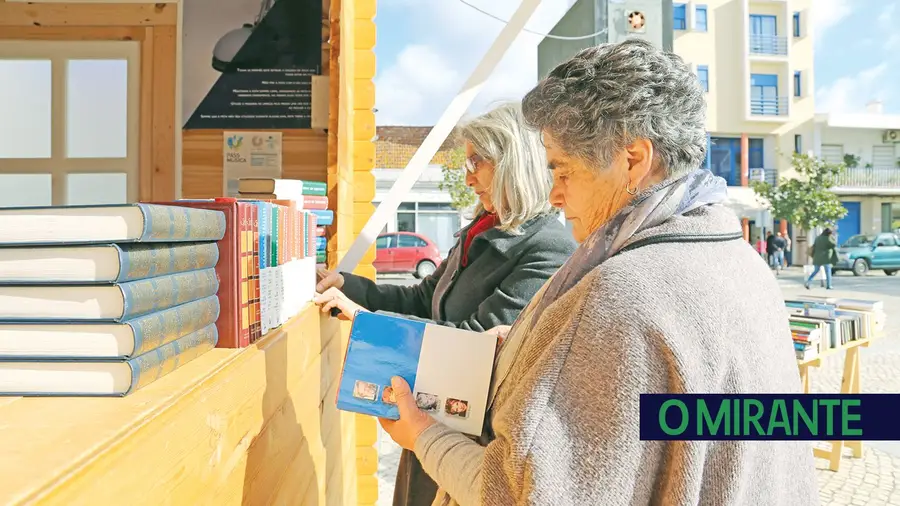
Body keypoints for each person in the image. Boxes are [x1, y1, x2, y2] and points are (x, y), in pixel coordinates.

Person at [378, 39, 819, 506]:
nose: (555, 195)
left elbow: (519, 494)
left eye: (562, 170)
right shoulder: (743, 261)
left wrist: (423, 434)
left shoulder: (621, 292)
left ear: (632, 159)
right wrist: (527, 352)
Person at [313, 101, 577, 506]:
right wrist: (348, 285)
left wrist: (368, 323)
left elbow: (478, 345)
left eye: (476, 163)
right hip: (429, 422)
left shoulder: (547, 247)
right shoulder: (481, 229)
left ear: (512, 161)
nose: (468, 178)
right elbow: (422, 298)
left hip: (469, 445)